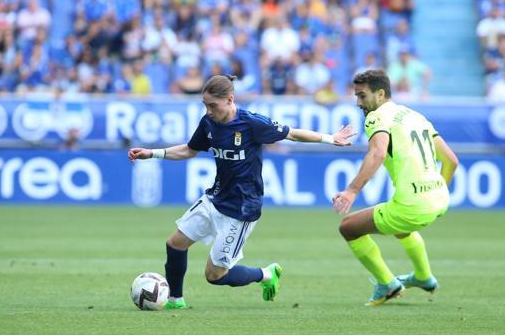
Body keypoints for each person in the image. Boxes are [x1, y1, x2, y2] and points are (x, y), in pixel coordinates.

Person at [128, 75, 355, 309]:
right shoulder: (208, 123)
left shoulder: (252, 124)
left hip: (241, 209)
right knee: (175, 243)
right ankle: (175, 300)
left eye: (212, 106)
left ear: (230, 99)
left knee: (215, 275)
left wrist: (331, 138)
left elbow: (293, 133)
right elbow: (189, 150)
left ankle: (266, 274)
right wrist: (151, 153)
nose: (208, 111)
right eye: (205, 105)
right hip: (214, 199)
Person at [332, 70, 459, 306]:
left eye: (362, 96)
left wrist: (352, 190)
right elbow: (451, 160)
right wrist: (439, 191)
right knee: (402, 227)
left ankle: (387, 284)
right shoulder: (415, 116)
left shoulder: (377, 117)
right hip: (440, 199)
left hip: (414, 206)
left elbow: (378, 153)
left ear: (380, 94)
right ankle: (423, 277)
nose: (358, 103)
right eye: (356, 97)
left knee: (348, 228)